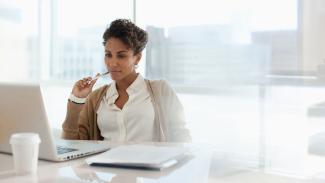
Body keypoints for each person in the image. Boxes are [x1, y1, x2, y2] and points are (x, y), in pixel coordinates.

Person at [62, 19, 191, 142]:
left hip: (148, 164)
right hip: (104, 165)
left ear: (137, 58)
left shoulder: (161, 90)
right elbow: (73, 144)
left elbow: (181, 138)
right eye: (108, 55)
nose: (112, 63)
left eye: (121, 55)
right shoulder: (96, 98)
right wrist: (77, 99)